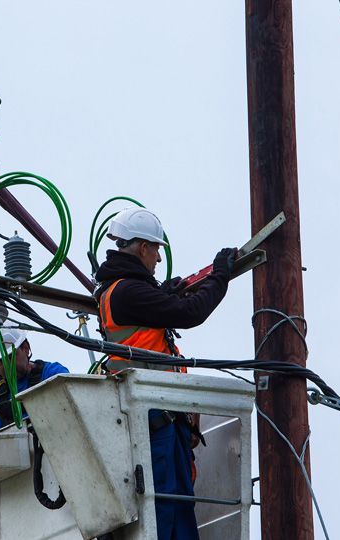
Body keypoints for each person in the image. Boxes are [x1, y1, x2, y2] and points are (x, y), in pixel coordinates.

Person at [93, 207, 236, 540]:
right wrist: (219, 278)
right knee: (167, 512)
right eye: (156, 249)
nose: (158, 258)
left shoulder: (116, 291)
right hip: (157, 420)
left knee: (174, 508)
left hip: (157, 416)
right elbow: (190, 313)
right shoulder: (128, 292)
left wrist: (165, 293)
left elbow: (153, 312)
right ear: (143, 248)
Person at [0, 328, 69, 437]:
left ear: (25, 348)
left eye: (10, 357)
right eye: (0, 362)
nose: (6, 367)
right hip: (9, 451)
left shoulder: (52, 374)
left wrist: (23, 406)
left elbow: (66, 410)